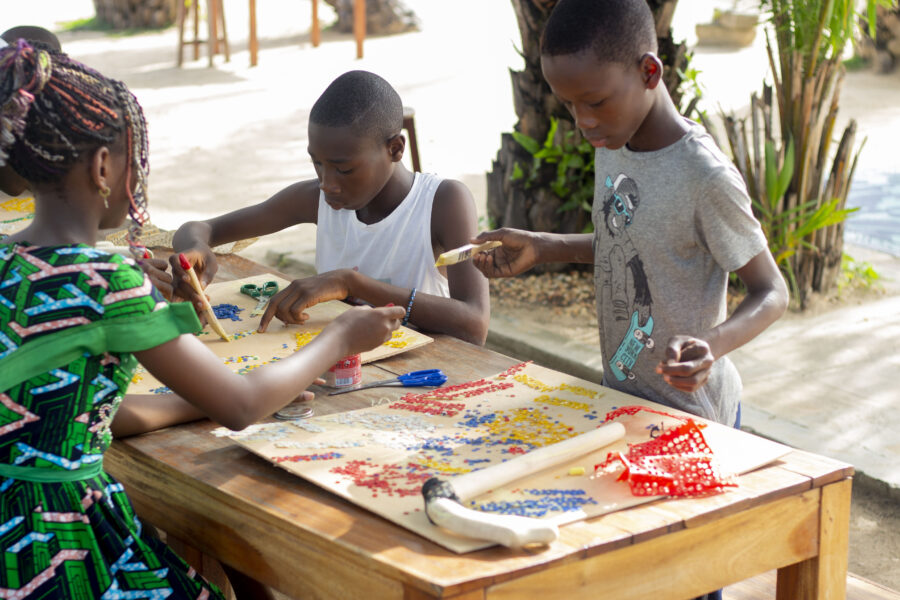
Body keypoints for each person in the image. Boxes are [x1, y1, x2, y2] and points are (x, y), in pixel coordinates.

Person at [0, 41, 404, 600]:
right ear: (101, 166)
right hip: (55, 543)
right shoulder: (108, 282)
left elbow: (83, 416)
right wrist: (339, 336)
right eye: (136, 159)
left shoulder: (7, 261)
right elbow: (238, 408)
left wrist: (201, 398)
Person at [473, 0, 788, 454]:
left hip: (692, 418)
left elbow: (772, 291)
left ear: (648, 72)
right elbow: (631, 242)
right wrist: (543, 247)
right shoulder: (614, 139)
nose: (583, 122)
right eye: (569, 104)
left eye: (595, 102)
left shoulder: (705, 178)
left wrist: (712, 345)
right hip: (623, 401)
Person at [172, 70, 490, 345]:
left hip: (426, 376)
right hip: (342, 368)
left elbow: (474, 325)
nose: (327, 183)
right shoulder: (317, 200)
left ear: (395, 148)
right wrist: (196, 250)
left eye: (344, 169)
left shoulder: (444, 202)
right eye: (317, 164)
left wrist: (350, 284)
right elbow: (199, 229)